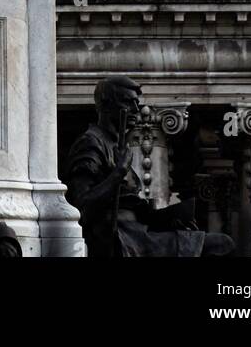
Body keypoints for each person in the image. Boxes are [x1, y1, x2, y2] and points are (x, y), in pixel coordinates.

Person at [65, 76, 234, 258]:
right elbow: (81, 205)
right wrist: (119, 172)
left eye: (137, 104)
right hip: (121, 237)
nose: (136, 110)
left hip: (138, 232)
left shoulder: (116, 144)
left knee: (220, 243)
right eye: (128, 103)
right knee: (220, 244)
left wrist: (169, 219)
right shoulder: (91, 143)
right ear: (107, 105)